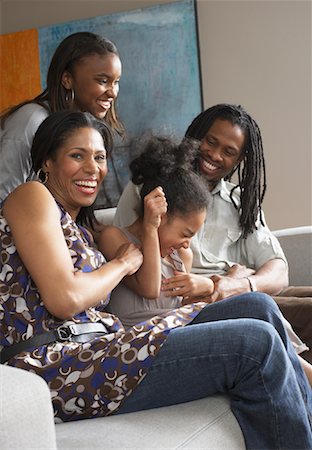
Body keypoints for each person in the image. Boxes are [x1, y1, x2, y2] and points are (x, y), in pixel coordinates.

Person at [0, 111, 311, 448]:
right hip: (55, 365)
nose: (93, 168)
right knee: (255, 344)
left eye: (100, 157)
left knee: (257, 305)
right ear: (47, 159)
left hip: (101, 348)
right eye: (78, 155)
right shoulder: (32, 196)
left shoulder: (80, 228)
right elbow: (65, 298)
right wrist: (122, 263)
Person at [113, 103, 312, 362]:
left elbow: (278, 270)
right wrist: (219, 282)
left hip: (238, 289)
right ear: (196, 136)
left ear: (240, 159)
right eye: (211, 141)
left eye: (229, 151)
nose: (215, 155)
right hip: (197, 300)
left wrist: (239, 283)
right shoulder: (150, 189)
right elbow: (133, 250)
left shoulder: (241, 202)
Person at [99, 136, 214, 328]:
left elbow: (181, 311)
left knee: (259, 304)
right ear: (160, 214)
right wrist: (150, 228)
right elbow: (150, 288)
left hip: (178, 335)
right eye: (186, 234)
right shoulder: (114, 238)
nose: (187, 243)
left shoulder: (181, 256)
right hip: (138, 346)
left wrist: (207, 287)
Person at [0, 31, 123, 203]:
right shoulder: (32, 119)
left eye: (116, 82)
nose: (112, 92)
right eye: (102, 81)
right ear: (67, 79)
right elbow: (4, 200)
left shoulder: (82, 127)